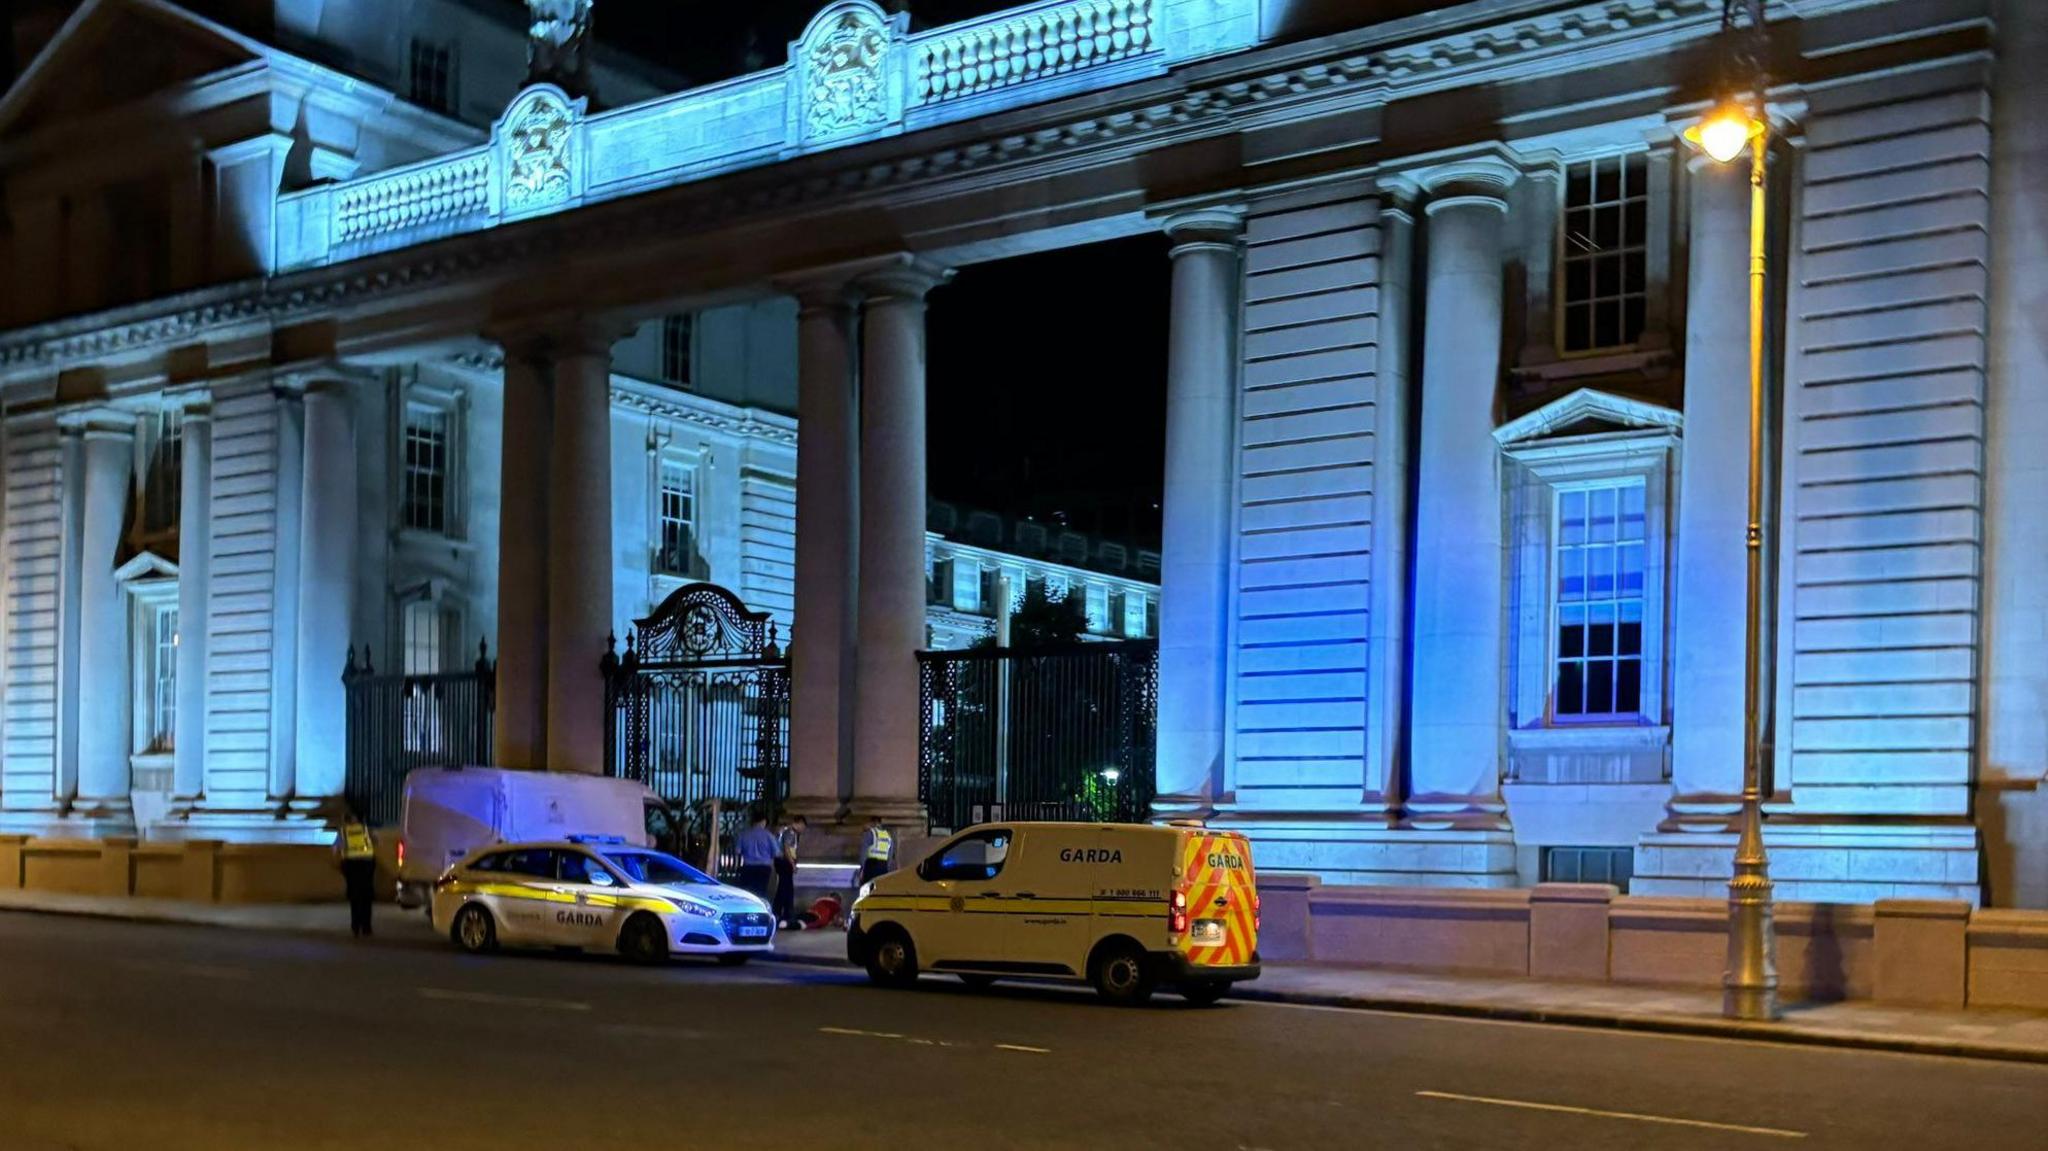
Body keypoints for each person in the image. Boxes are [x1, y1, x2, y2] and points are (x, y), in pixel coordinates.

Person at [336, 814, 377, 938]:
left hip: (351, 865)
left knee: (354, 898)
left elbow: (335, 849)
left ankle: (355, 927)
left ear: (346, 821)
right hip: (367, 864)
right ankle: (367, 928)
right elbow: (376, 841)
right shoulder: (366, 829)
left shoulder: (343, 832)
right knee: (367, 897)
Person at [735, 811, 778, 901]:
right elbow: (776, 853)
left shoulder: (743, 834)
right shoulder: (769, 835)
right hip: (764, 868)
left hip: (748, 867)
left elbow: (737, 851)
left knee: (747, 892)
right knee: (761, 892)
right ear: (764, 821)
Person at [773, 814, 806, 929]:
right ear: (799, 823)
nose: (803, 829)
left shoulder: (789, 832)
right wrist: (792, 863)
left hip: (783, 862)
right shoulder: (790, 833)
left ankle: (782, 913)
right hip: (784, 862)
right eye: (803, 826)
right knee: (785, 888)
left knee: (785, 887)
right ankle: (783, 913)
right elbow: (787, 848)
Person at [859, 815, 895, 885]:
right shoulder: (888, 836)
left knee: (868, 888)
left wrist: (862, 868)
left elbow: (863, 852)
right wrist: (886, 868)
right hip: (883, 866)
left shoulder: (870, 833)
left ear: (873, 823)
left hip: (871, 865)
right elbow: (890, 856)